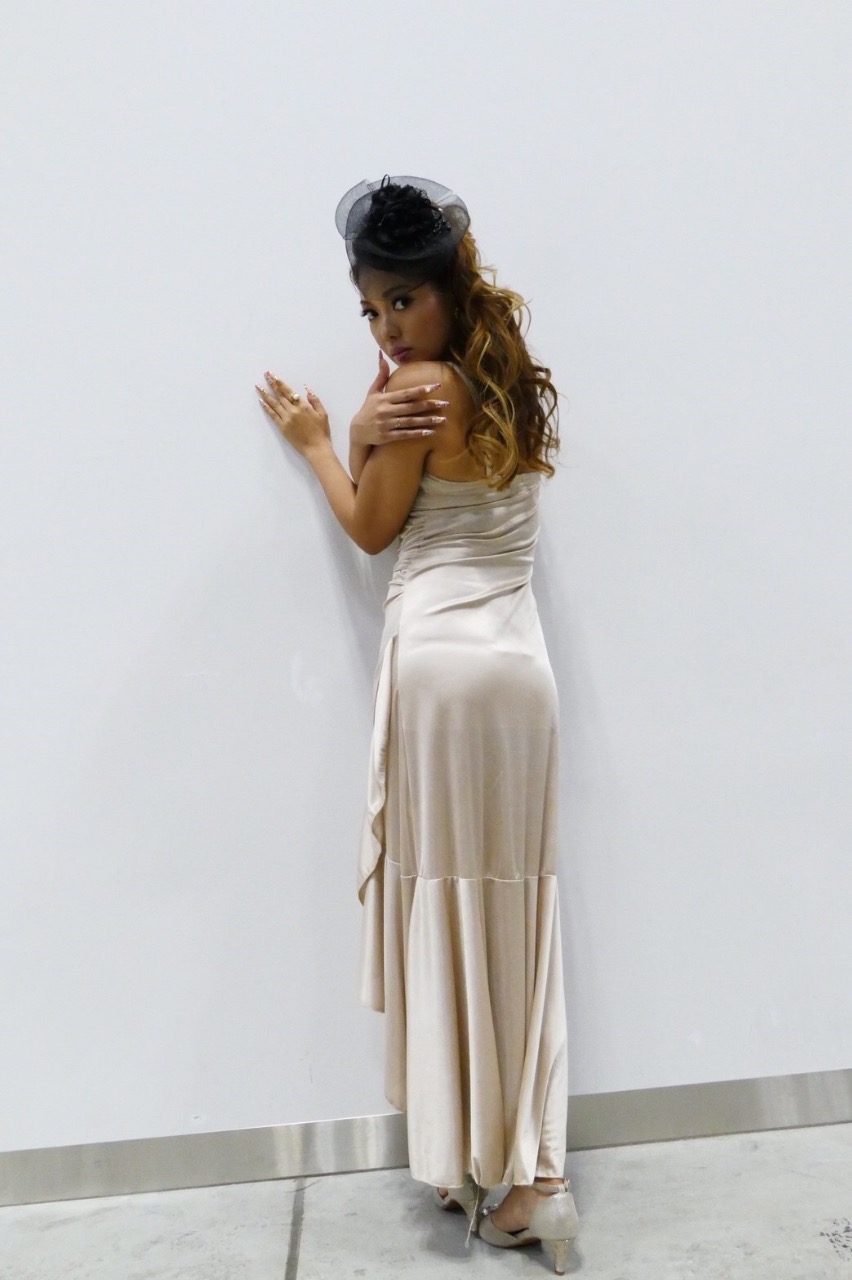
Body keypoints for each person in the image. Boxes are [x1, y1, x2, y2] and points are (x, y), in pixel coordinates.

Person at [255, 175, 579, 1274]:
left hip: (443, 668)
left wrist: (323, 437)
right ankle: (535, 1176)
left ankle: (463, 1156)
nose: (388, 329)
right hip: (521, 672)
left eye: (402, 301)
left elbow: (371, 528)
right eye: (371, 310)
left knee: (448, 901)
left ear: (445, 289)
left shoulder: (418, 391)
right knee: (517, 910)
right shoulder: (507, 377)